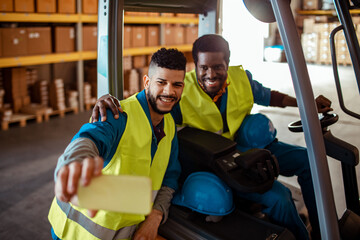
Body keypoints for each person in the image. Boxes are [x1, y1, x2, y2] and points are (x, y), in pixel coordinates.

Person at [92, 35, 333, 240]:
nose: (210, 74)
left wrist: (305, 104)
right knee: (280, 197)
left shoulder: (242, 79)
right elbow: (150, 100)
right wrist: (110, 100)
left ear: (227, 64)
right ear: (194, 66)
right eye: (203, 67)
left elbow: (270, 96)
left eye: (218, 66)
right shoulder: (179, 90)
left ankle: (324, 229)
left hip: (248, 149)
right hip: (217, 162)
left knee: (310, 161)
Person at [48, 48, 187, 240]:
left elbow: (169, 178)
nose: (169, 91)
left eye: (176, 85)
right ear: (146, 82)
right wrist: (73, 163)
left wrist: (155, 216)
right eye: (161, 82)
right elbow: (90, 138)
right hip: (76, 233)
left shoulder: (169, 125)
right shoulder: (117, 114)